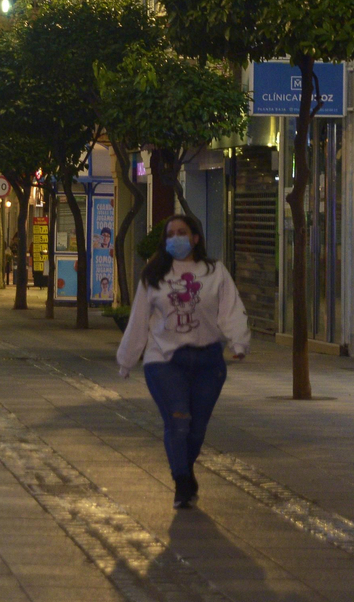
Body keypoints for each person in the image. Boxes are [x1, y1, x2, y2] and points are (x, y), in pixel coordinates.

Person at [116, 213, 249, 510]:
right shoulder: (154, 275)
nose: (176, 238)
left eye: (182, 232)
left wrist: (238, 342)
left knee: (197, 428)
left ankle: (185, 472)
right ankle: (182, 481)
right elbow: (139, 319)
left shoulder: (215, 272)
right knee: (178, 421)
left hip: (208, 362)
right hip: (164, 360)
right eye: (171, 233)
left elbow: (231, 310)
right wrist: (127, 358)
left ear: (196, 238)